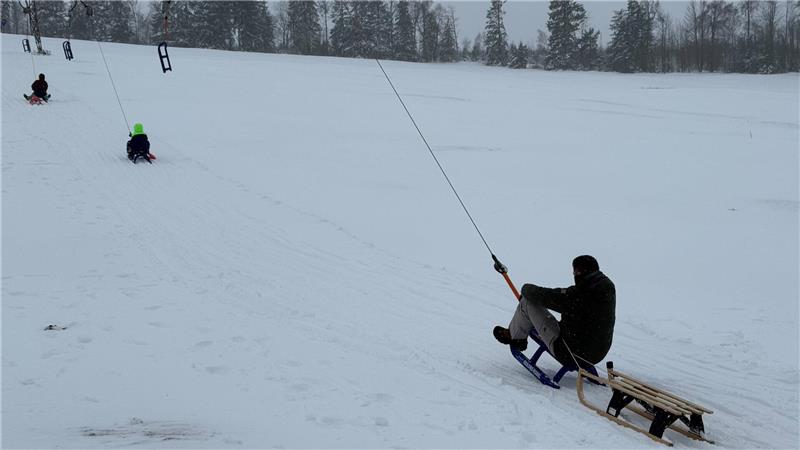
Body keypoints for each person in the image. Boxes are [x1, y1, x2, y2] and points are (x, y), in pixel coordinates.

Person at [493, 255, 615, 367]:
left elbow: (548, 296)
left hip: (570, 354)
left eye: (575, 272)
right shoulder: (607, 287)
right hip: (597, 353)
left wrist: (526, 289)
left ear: (580, 272)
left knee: (527, 302)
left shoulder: (579, 294)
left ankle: (515, 337)